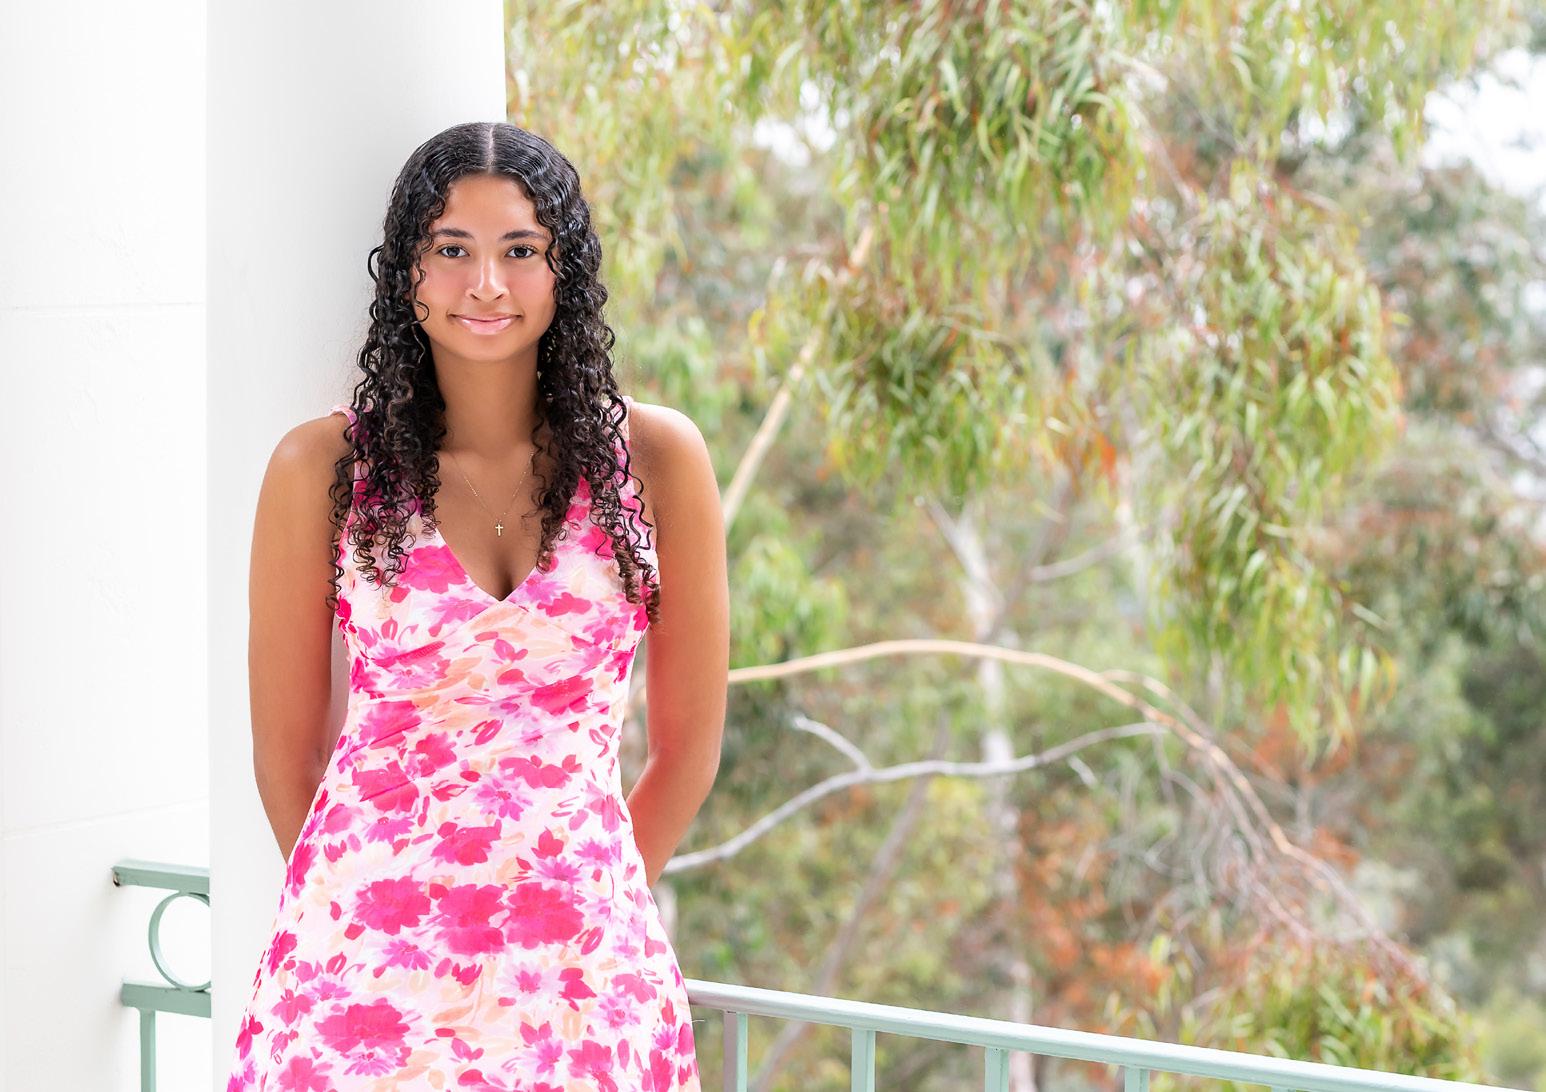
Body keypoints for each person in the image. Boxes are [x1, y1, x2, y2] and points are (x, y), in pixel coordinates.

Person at [228, 120, 727, 1091]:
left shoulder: (658, 461)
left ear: (565, 269)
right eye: (451, 249)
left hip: (583, 973)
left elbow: (687, 751)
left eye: (520, 251)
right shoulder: (321, 469)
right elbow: (285, 758)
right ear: (406, 272)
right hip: (360, 973)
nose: (486, 284)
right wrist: (362, 913)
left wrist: (589, 898)